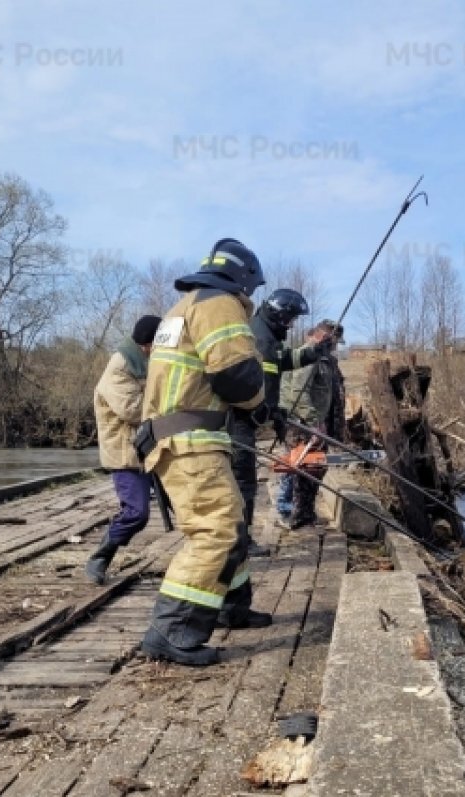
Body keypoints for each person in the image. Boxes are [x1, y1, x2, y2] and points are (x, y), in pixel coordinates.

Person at [134, 238, 271, 667]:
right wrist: (261, 405)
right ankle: (170, 631)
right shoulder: (219, 303)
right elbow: (236, 376)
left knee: (231, 525)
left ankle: (232, 606)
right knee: (216, 530)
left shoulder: (185, 307)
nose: (249, 299)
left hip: (182, 436)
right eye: (250, 291)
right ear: (243, 280)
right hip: (189, 439)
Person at [229, 288, 325, 533]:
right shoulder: (262, 340)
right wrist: (270, 412)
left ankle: (241, 539)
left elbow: (285, 360)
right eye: (290, 320)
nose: (292, 326)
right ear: (280, 316)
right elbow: (264, 384)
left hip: (244, 420)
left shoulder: (268, 336)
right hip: (238, 422)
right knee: (243, 483)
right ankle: (241, 541)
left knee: (244, 481)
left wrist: (313, 353)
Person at [85, 314, 162, 584]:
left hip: (152, 448)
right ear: (146, 344)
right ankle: (100, 557)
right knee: (136, 513)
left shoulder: (146, 362)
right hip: (126, 452)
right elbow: (133, 410)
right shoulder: (120, 367)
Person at [279, 320, 343, 529]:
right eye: (334, 341)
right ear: (325, 336)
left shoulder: (327, 360)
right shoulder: (308, 356)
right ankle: (294, 515)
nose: (336, 345)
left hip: (317, 423)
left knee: (315, 469)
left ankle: (305, 513)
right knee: (303, 468)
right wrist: (314, 423)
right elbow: (298, 392)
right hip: (302, 424)